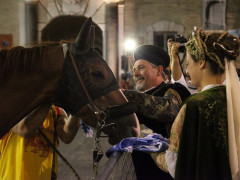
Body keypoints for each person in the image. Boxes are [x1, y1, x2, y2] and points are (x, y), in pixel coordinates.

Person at [151, 27, 240, 179]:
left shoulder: (194, 105)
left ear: (201, 63)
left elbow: (176, 165)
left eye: (189, 63)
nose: (187, 69)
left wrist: (151, 149)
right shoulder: (233, 98)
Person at [123, 44, 191, 179]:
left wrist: (123, 95)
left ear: (159, 70)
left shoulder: (175, 90)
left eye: (141, 68)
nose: (135, 74)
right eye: (134, 69)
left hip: (170, 174)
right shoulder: (134, 100)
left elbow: (168, 110)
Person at [0, 104, 81, 180]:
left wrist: (78, 109)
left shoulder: (56, 112)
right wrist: (48, 99)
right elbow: (24, 129)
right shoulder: (10, 108)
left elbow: (66, 137)